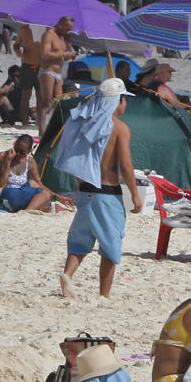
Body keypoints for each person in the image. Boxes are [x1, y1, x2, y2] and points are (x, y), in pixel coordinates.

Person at [58, 78, 142, 301]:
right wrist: (134, 194)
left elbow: (77, 158)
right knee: (110, 246)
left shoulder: (85, 122)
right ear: (118, 101)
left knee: (79, 241)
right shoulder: (120, 128)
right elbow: (125, 165)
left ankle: (67, 275)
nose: (125, 105)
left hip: (86, 189)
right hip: (108, 193)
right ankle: (104, 294)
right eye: (124, 100)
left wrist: (79, 186)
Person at [36, 17, 78, 130]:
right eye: (67, 29)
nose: (68, 32)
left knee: (58, 101)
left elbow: (65, 53)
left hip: (58, 72)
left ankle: (51, 126)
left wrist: (68, 48)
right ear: (60, 25)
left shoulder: (62, 37)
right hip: (47, 71)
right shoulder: (48, 35)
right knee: (46, 101)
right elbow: (45, 55)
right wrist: (63, 55)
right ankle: (41, 129)